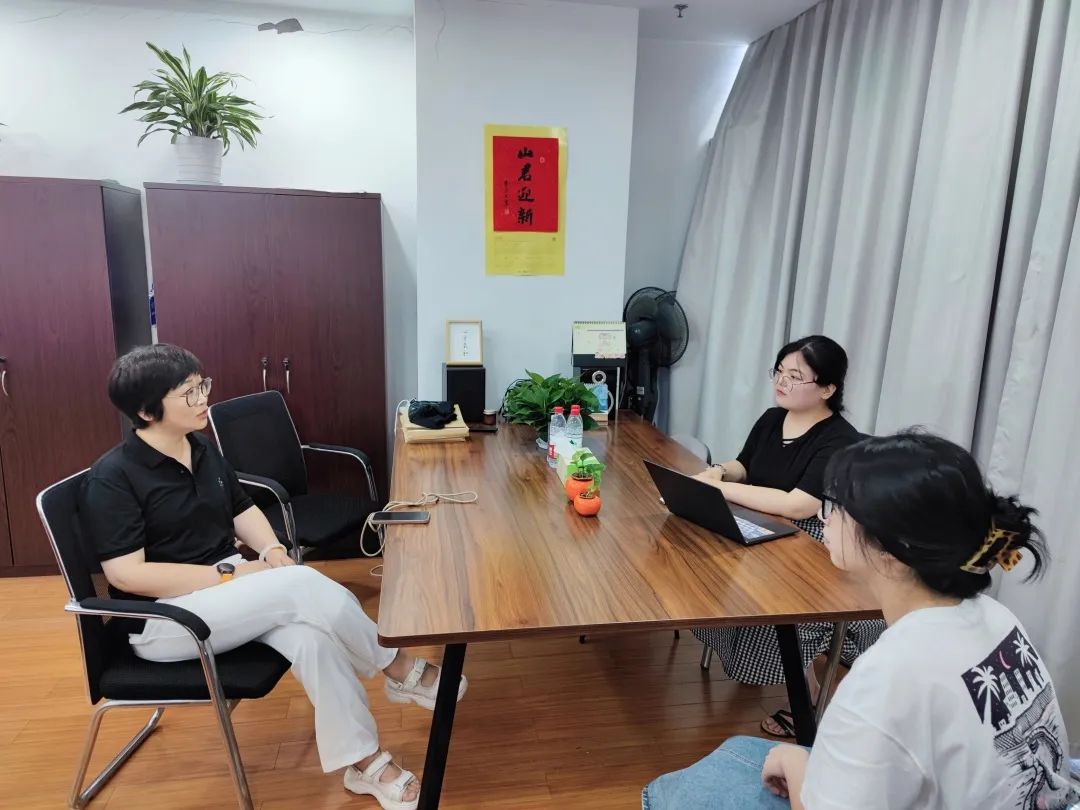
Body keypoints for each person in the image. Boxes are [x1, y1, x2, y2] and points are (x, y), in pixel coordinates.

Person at [79, 344, 463, 810]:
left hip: (227, 596)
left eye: (202, 385)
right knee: (299, 585)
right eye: (188, 392)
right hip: (166, 621)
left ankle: (364, 763)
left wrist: (273, 551)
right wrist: (229, 575)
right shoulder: (113, 477)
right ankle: (396, 667)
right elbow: (127, 574)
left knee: (312, 639)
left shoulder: (200, 448)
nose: (203, 398)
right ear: (146, 411)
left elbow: (241, 508)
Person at [644, 431, 1078, 810]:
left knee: (673, 790)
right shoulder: (998, 618)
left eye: (837, 506)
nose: (825, 517)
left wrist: (795, 763)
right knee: (739, 750)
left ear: (890, 550)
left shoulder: (888, 676)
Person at [691, 335, 884, 736]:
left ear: (827, 388)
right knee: (704, 570)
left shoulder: (838, 438)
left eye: (795, 376)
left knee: (772, 606)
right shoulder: (771, 418)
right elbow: (744, 465)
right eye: (779, 371)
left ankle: (808, 698)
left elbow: (799, 505)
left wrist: (720, 490)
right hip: (763, 523)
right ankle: (757, 663)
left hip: (814, 541)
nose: (782, 382)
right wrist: (719, 472)